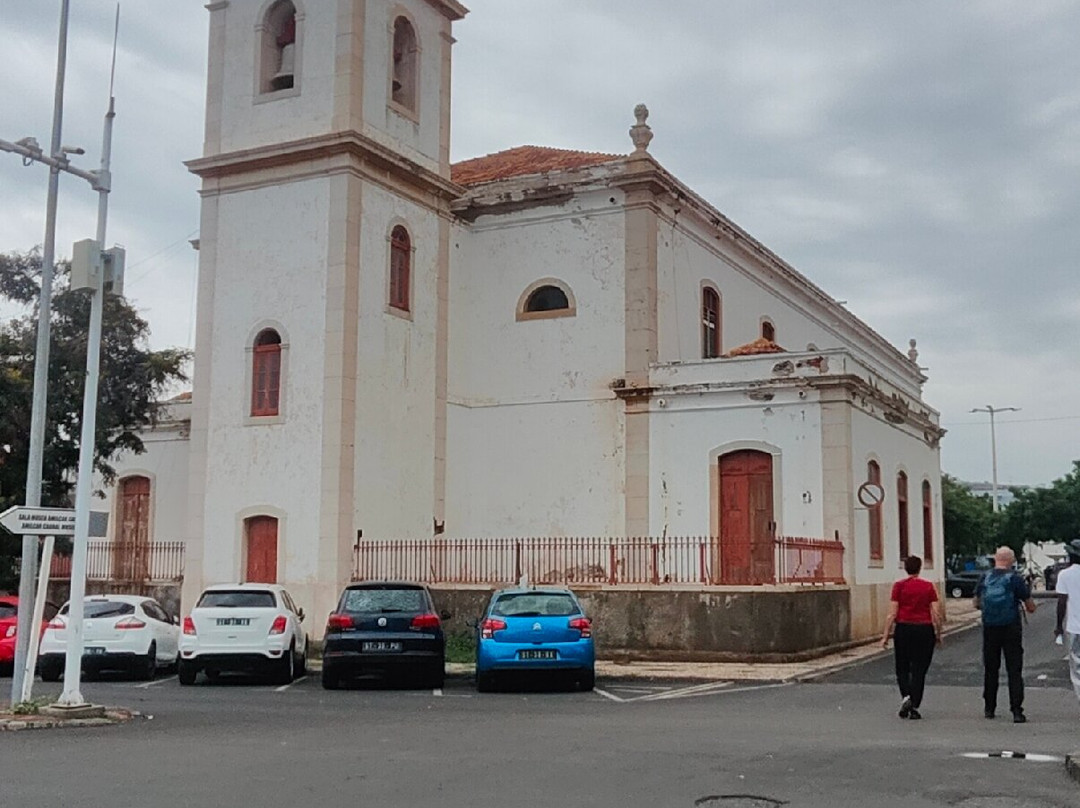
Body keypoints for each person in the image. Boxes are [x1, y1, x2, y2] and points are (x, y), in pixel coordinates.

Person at [975, 546, 1037, 723]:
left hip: (990, 627)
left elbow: (976, 603)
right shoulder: (1015, 579)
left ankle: (989, 707)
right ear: (1011, 560)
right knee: (1014, 669)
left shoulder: (985, 577)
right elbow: (1030, 606)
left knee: (991, 668)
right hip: (1011, 627)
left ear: (995, 558)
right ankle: (1016, 710)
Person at [881, 555, 942, 720]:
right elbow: (936, 613)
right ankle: (914, 706)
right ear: (920, 568)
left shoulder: (899, 586)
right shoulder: (928, 587)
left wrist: (886, 635)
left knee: (902, 667)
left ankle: (906, 696)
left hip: (904, 629)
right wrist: (938, 633)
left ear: (905, 568)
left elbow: (892, 613)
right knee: (919, 669)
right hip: (924, 630)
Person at [1053, 539, 1080, 706]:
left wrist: (1058, 627)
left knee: (1077, 667)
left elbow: (1061, 603)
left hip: (1075, 627)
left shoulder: (1065, 575)